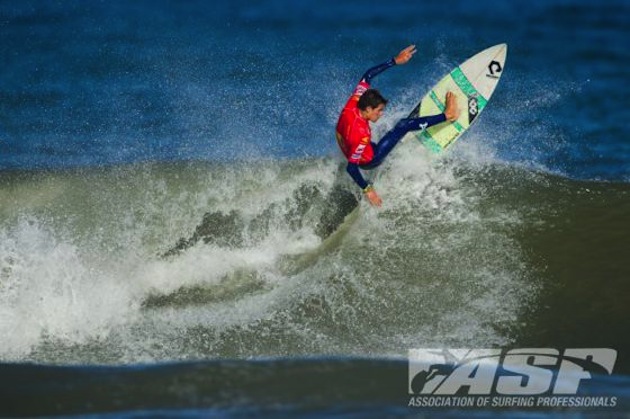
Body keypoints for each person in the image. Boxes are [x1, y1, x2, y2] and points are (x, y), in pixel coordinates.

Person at [336, 45, 460, 207]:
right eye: (379, 111)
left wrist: (395, 61)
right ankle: (448, 115)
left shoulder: (353, 103)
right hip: (370, 159)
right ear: (367, 109)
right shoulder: (361, 133)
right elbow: (351, 168)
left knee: (384, 132)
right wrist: (368, 190)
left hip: (347, 144)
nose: (381, 114)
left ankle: (396, 140)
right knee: (403, 125)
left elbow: (367, 76)